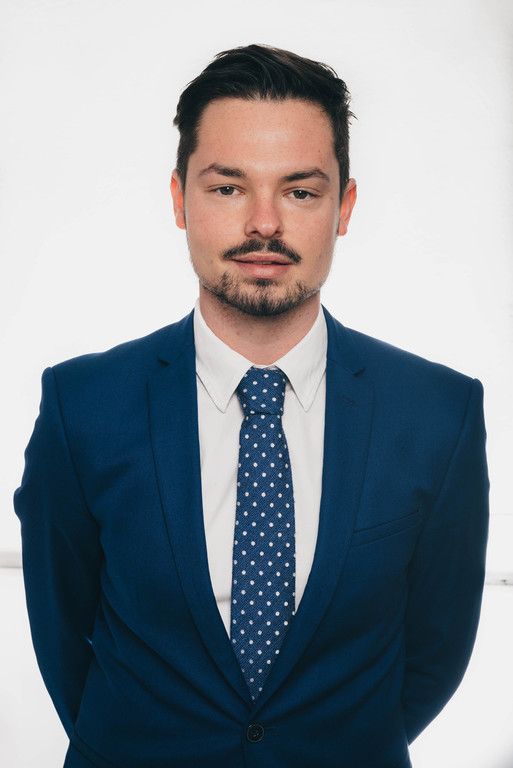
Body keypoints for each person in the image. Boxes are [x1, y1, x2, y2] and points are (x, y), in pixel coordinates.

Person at [13, 44, 490, 768]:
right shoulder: (82, 407)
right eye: (228, 187)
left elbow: (436, 649)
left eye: (299, 192)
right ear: (180, 199)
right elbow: (62, 630)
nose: (263, 223)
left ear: (343, 207)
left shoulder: (437, 415)